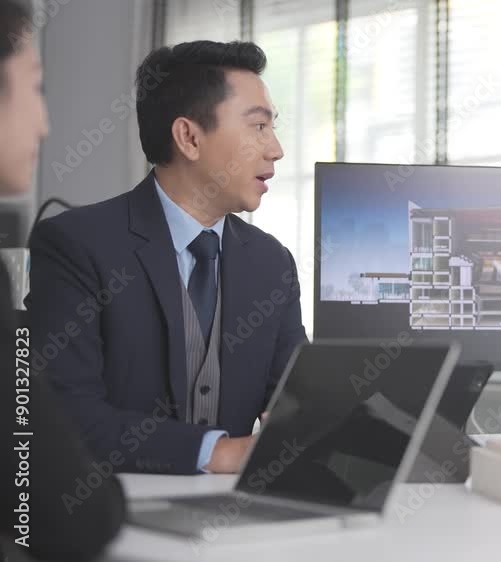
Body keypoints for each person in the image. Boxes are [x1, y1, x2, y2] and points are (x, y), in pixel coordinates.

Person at [27, 40, 307, 476]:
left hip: (235, 520)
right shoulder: (75, 246)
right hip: (111, 517)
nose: (276, 149)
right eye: (258, 127)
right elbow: (61, 415)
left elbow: (298, 402)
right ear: (189, 138)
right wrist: (220, 452)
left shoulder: (272, 264)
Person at [0, 0, 125, 559]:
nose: (46, 122)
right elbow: (65, 509)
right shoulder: (78, 246)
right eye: (35, 87)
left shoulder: (269, 260)